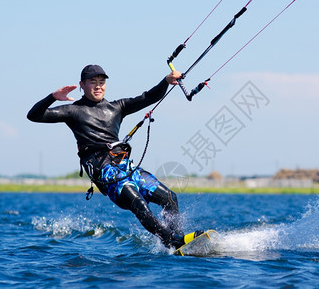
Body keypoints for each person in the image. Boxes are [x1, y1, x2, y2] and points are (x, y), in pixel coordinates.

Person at [27, 64, 202, 249]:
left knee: (170, 198)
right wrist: (53, 97)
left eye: (101, 82)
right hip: (105, 173)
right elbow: (34, 115)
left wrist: (166, 81)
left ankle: (179, 243)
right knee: (139, 204)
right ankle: (171, 240)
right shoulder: (73, 111)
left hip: (125, 167)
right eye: (92, 82)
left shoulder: (117, 107)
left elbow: (148, 97)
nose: (98, 86)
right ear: (82, 85)